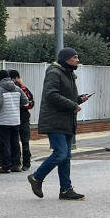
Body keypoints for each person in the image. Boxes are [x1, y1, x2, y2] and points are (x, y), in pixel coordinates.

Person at [28, 48, 90, 201]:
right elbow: (51, 95)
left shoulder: (68, 73)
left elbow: (65, 95)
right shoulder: (54, 72)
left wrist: (78, 99)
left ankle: (65, 190)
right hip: (54, 121)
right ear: (66, 58)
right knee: (61, 153)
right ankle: (36, 178)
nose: (77, 60)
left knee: (66, 157)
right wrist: (72, 104)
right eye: (75, 57)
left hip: (66, 121)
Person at [0, 70, 28, 173]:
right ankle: (16, 164)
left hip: (4, 120)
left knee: (5, 143)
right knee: (15, 142)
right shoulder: (17, 88)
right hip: (16, 119)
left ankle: (6, 166)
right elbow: (25, 101)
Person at [9, 70, 35, 169]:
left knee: (24, 141)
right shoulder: (9, 89)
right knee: (15, 142)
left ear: (15, 78)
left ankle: (26, 163)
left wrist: (22, 105)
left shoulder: (23, 89)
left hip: (22, 118)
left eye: (12, 79)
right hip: (15, 117)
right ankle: (17, 163)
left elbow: (31, 103)